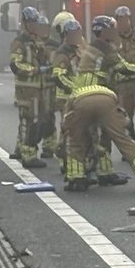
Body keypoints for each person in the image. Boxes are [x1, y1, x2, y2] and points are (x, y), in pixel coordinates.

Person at [63, 15, 135, 191]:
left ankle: (78, 177)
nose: (115, 32)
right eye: (112, 28)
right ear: (104, 31)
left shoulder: (90, 49)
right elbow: (125, 69)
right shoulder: (106, 49)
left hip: (79, 97)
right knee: (119, 136)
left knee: (79, 137)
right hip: (102, 95)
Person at [8, 6, 47, 168]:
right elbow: (15, 65)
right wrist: (36, 70)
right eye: (30, 22)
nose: (33, 25)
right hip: (26, 89)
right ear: (24, 23)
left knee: (39, 120)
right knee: (29, 120)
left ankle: (20, 148)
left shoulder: (37, 40)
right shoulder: (19, 42)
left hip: (39, 88)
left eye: (35, 22)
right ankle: (28, 155)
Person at [51, 17, 83, 161]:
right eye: (74, 34)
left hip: (80, 95)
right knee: (69, 127)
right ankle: (63, 155)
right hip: (66, 97)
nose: (77, 37)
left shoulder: (80, 50)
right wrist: (74, 88)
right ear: (67, 36)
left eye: (78, 33)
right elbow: (58, 76)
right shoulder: (62, 53)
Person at [114, 6, 135, 139]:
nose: (124, 22)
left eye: (126, 19)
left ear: (130, 19)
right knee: (125, 115)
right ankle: (129, 145)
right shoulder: (113, 39)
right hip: (122, 84)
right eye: (120, 20)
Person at [36, 14, 59, 158]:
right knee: (32, 116)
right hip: (34, 85)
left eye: (45, 28)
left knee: (49, 115)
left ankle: (49, 146)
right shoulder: (31, 44)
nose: (43, 31)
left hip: (50, 86)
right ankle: (25, 146)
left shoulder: (55, 45)